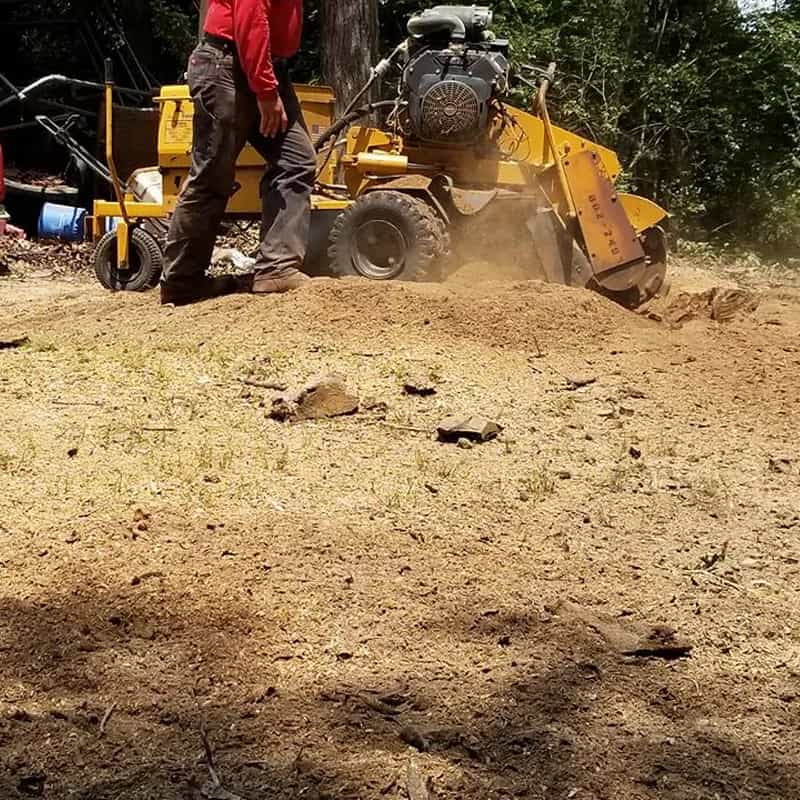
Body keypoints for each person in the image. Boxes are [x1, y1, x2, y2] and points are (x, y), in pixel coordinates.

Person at [160, 0, 316, 306]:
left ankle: (276, 269)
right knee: (212, 174)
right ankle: (182, 282)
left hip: (261, 65)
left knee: (296, 160)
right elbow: (250, 16)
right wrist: (266, 91)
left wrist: (267, 83)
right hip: (228, 64)